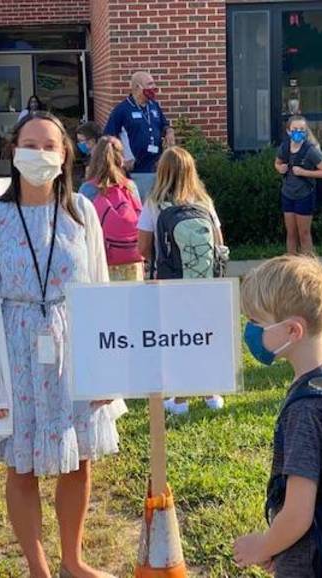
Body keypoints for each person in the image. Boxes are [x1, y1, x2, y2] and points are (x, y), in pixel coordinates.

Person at [0, 110, 126, 578]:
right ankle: (38, 569)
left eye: (49, 145)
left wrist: (106, 369)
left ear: (66, 155)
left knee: (76, 459)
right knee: (23, 467)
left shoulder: (81, 212)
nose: (39, 153)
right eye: (30, 144)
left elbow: (100, 290)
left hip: (73, 350)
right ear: (13, 150)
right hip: (16, 350)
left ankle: (73, 561)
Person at [233, 255, 322, 576]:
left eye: (256, 322)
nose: (250, 331)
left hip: (311, 563)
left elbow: (298, 513)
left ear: (293, 330)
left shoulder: (306, 410)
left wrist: (264, 544)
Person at [137, 146, 225, 415]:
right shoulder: (204, 202)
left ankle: (181, 399)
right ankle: (212, 393)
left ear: (162, 171)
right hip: (205, 282)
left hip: (171, 282)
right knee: (204, 335)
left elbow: (143, 247)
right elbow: (219, 244)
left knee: (177, 337)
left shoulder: (154, 203)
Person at [104, 71, 175, 203]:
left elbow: (164, 124)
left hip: (156, 167)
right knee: (141, 207)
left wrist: (169, 131)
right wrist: (122, 159)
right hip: (135, 170)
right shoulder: (122, 110)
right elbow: (109, 138)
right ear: (137, 87)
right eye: (150, 84)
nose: (154, 88)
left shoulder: (154, 106)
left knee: (156, 205)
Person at [79, 136, 143, 281]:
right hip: (131, 258)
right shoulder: (130, 187)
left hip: (101, 259)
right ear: (120, 159)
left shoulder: (87, 189)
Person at [275, 116, 322, 255]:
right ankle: (292, 265)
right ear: (289, 131)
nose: (298, 132)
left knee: (304, 234)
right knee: (291, 233)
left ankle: (308, 267)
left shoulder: (310, 150)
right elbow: (277, 163)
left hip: (304, 195)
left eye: (301, 129)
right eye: (295, 129)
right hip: (287, 194)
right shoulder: (285, 147)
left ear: (306, 131)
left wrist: (304, 172)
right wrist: (279, 168)